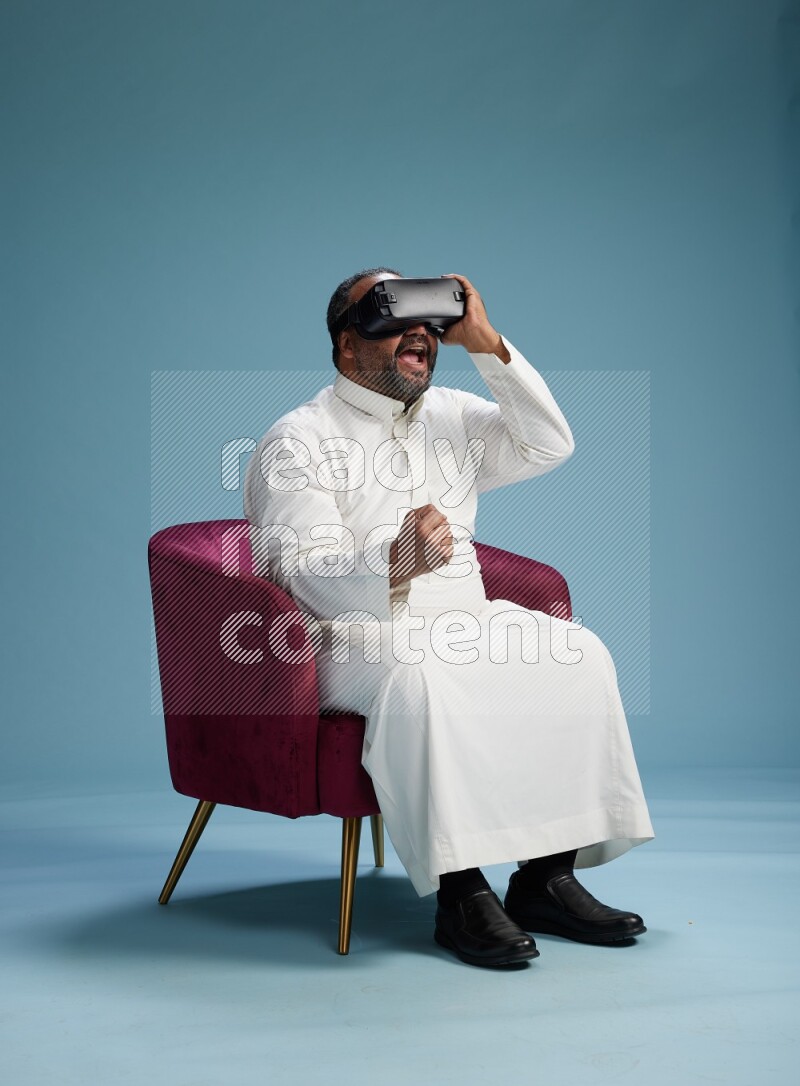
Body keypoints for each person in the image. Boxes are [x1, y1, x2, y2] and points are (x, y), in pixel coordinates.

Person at [243, 267, 654, 968]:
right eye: (394, 317)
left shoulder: (454, 415)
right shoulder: (298, 439)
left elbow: (547, 445)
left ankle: (546, 877)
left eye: (430, 324)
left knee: (577, 654)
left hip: (462, 612)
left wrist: (487, 342)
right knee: (427, 675)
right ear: (348, 345)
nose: (421, 337)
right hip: (352, 632)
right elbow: (296, 572)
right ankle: (461, 893)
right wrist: (393, 560)